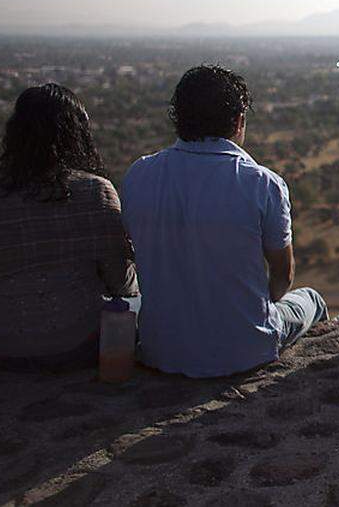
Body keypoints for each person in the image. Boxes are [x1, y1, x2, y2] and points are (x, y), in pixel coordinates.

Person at [121, 65, 326, 378]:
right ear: (239, 121)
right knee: (312, 299)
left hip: (160, 349)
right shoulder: (261, 184)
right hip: (246, 349)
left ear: (178, 118)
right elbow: (283, 278)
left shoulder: (139, 175)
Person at [0, 84, 137, 370]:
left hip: (3, 346)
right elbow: (122, 283)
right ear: (77, 134)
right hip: (77, 343)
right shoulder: (93, 190)